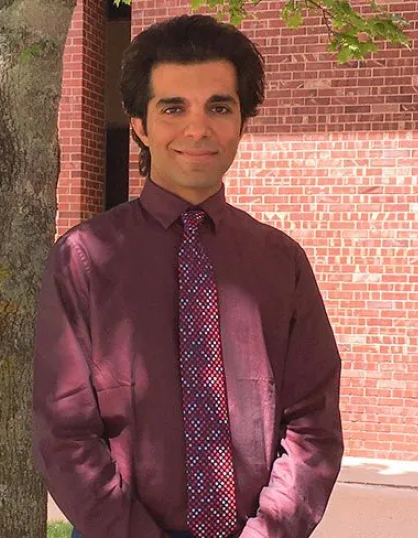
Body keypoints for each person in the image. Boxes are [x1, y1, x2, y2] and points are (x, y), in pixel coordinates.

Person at [33, 14, 343, 538]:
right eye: (173, 107)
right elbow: (66, 433)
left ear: (242, 121)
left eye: (218, 107)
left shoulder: (281, 263)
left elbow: (312, 427)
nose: (197, 129)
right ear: (140, 125)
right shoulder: (83, 261)